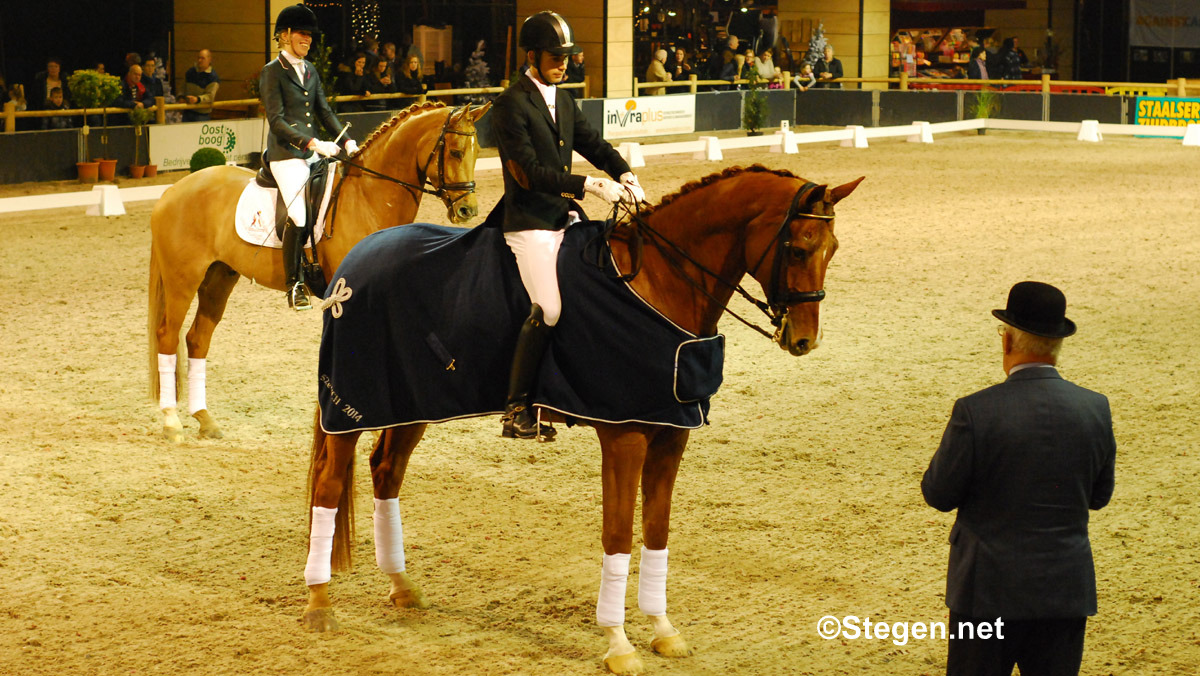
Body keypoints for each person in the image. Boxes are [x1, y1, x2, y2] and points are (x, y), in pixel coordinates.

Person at [922, 281, 1116, 676]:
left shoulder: (975, 410)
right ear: (1057, 345)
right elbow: (1099, 496)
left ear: (1007, 341)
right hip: (1064, 589)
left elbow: (939, 494)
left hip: (987, 591)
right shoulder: (1095, 408)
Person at [489, 10, 642, 440]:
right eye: (556, 56)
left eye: (567, 56)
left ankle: (559, 394)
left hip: (564, 217)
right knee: (550, 308)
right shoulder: (511, 103)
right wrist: (590, 185)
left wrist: (624, 172)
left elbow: (594, 143)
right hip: (529, 221)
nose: (564, 63)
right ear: (533, 55)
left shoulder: (565, 100)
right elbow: (530, 173)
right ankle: (516, 408)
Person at [259, 4, 358, 310]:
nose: (308, 40)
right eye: (303, 34)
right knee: (299, 215)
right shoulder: (271, 72)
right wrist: (313, 143)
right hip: (286, 154)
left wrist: (349, 141)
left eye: (310, 36)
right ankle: (295, 284)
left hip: (313, 152)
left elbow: (324, 111)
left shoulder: (310, 70)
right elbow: (276, 120)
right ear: (285, 35)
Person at [183, 49, 219, 122]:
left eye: (203, 58)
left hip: (202, 114)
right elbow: (183, 86)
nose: (199, 60)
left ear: (209, 60)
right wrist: (181, 96)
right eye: (198, 58)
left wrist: (197, 99)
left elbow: (210, 96)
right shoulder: (190, 72)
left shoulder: (213, 77)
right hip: (187, 112)